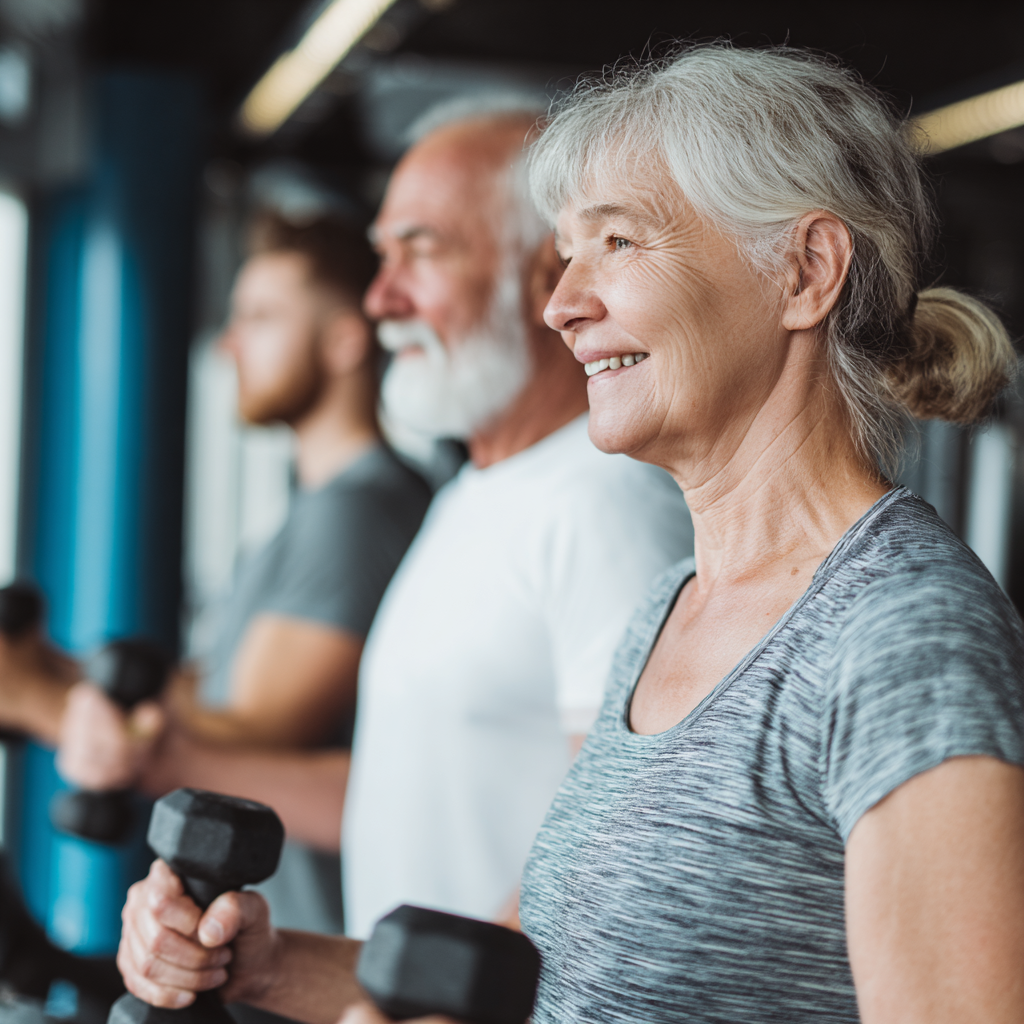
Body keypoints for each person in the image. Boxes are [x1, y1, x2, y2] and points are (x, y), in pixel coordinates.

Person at [115, 45, 1024, 1024]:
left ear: (804, 273)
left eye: (619, 243)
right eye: (567, 250)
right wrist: (260, 962)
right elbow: (532, 971)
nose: (561, 303)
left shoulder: (900, 636)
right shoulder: (666, 609)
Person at [105, 98, 692, 1021]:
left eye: (421, 250)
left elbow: (617, 878)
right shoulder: (474, 492)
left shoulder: (605, 505)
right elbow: (403, 797)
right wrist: (253, 958)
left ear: (549, 268)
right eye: (383, 256)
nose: (382, 298)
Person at [17, 211, 433, 936]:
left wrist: (31, 699)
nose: (231, 342)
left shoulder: (357, 515)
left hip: (327, 949)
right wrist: (51, 667)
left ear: (344, 340)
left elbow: (252, 732)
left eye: (263, 318)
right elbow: (214, 688)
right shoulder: (312, 513)